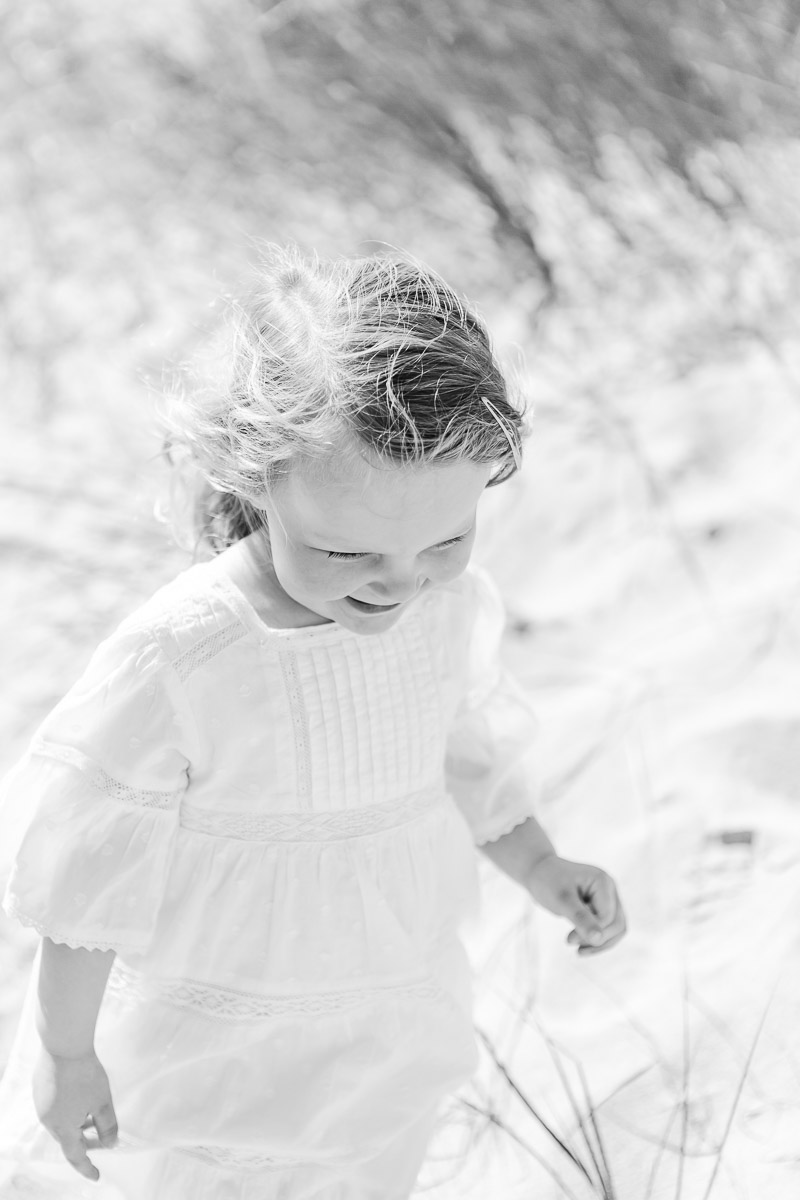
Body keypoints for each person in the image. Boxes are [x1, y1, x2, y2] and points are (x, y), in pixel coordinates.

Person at [0, 248, 626, 1200]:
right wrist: (65, 1050)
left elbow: (467, 760)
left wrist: (542, 864)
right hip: (210, 1054)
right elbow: (92, 881)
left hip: (385, 1029)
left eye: (447, 539)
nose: (400, 580)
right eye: (347, 549)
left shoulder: (445, 613)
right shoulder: (183, 656)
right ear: (258, 479)